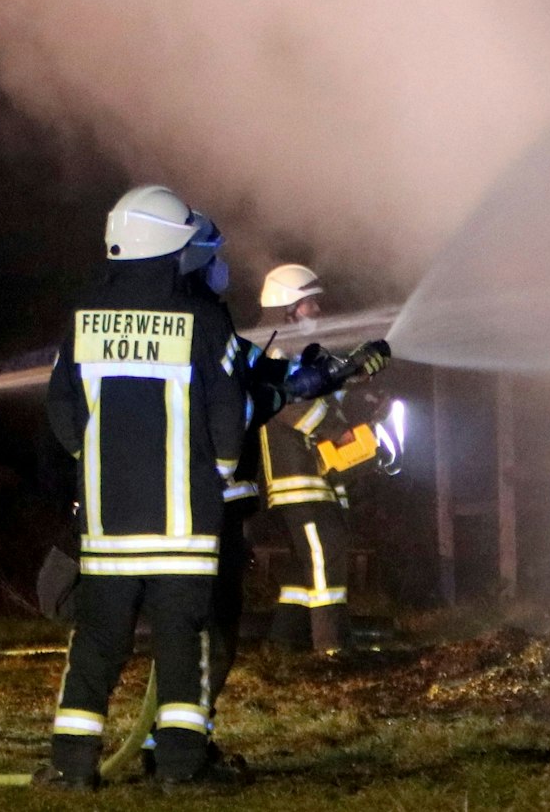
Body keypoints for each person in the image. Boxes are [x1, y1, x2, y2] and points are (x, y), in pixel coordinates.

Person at [38, 186, 246, 791]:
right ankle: (181, 767)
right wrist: (222, 472)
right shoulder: (202, 318)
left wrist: (97, 460)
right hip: (183, 523)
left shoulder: (83, 318)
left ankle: (70, 766)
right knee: (184, 643)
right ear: (168, 249)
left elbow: (61, 410)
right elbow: (227, 413)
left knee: (97, 644)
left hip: (107, 525)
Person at [254, 264, 385, 654]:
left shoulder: (300, 351)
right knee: (325, 552)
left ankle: (282, 643)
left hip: (318, 475)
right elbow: (285, 405)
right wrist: (334, 430)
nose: (317, 311)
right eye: (309, 304)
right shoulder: (275, 349)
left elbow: (325, 395)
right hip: (296, 477)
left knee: (303, 563)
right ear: (286, 307)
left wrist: (358, 381)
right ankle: (332, 647)